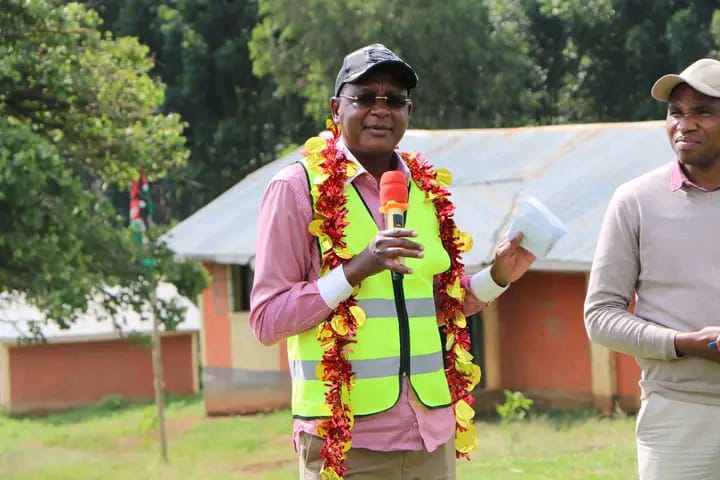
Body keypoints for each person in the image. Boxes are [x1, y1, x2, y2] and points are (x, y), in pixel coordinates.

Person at [250, 43, 535, 480]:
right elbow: (267, 319)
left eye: (395, 100)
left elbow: (437, 304)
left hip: (429, 436)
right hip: (346, 442)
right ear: (336, 108)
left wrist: (497, 277)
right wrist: (356, 269)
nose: (381, 110)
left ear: (409, 111)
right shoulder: (297, 188)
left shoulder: (426, 190)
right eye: (365, 97)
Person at [584, 57, 720, 480]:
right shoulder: (636, 201)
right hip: (679, 414)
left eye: (703, 112)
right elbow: (600, 317)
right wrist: (682, 343)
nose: (684, 124)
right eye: (675, 112)